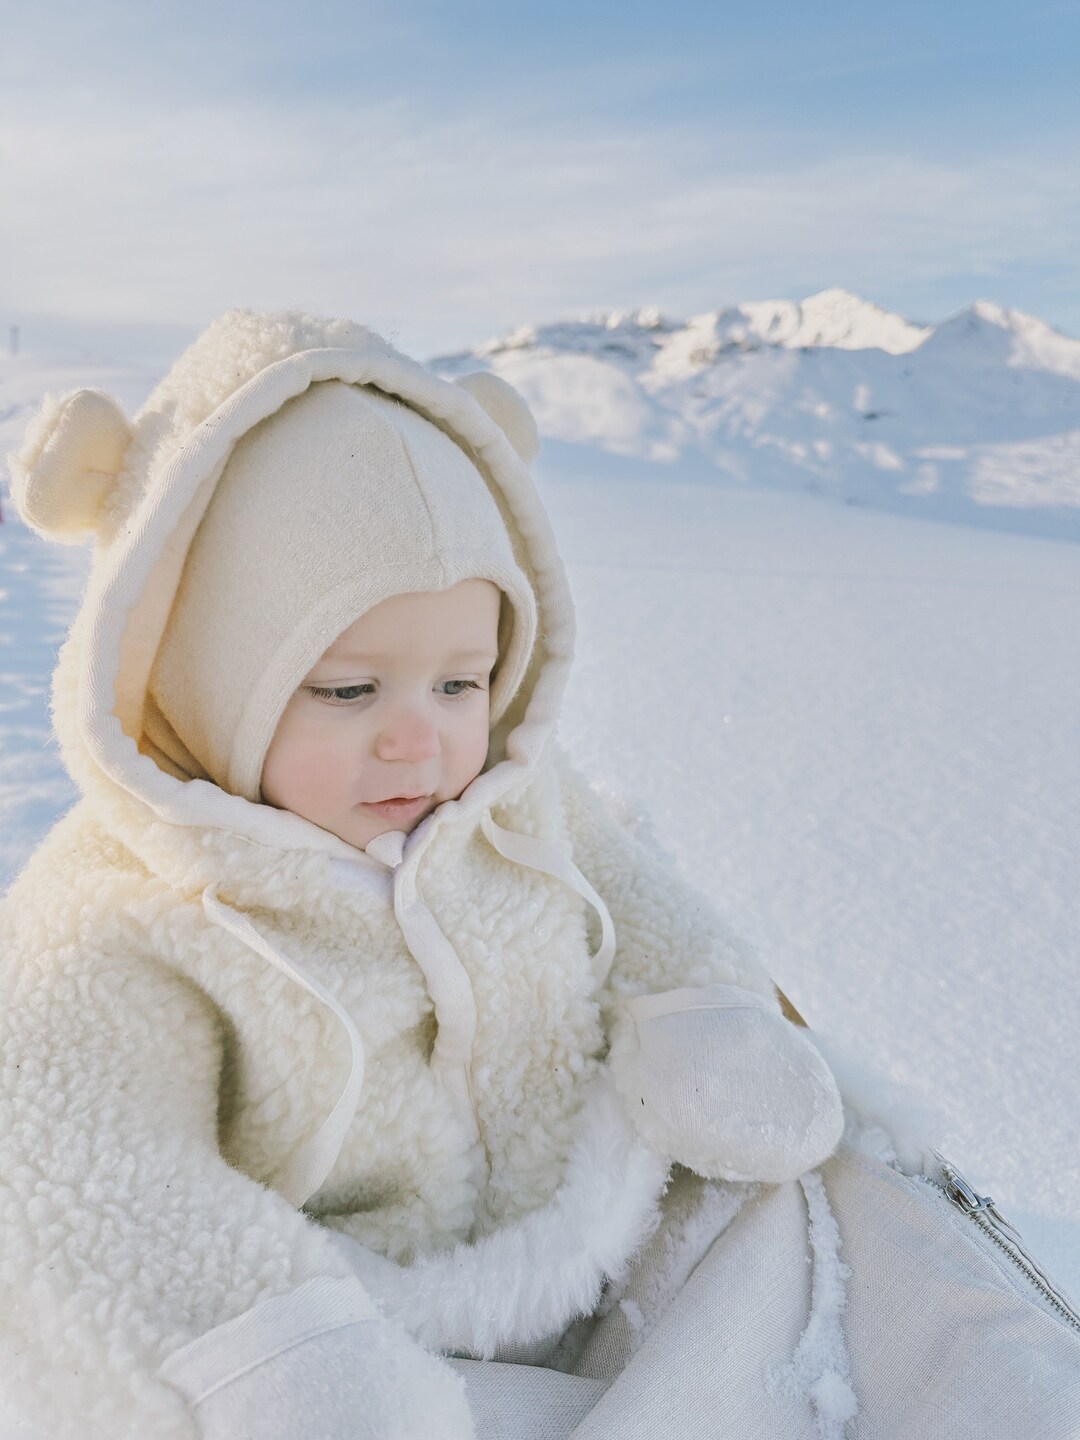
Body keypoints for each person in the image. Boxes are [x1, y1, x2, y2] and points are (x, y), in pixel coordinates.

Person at [2, 310, 1078, 1440]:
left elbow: (637, 900)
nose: (418, 742)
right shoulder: (117, 917)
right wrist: (272, 1346)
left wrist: (700, 1008)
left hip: (587, 1234)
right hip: (357, 1335)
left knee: (826, 1236)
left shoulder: (514, 801)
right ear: (204, 678)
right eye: (350, 691)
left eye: (461, 685)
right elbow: (87, 1174)